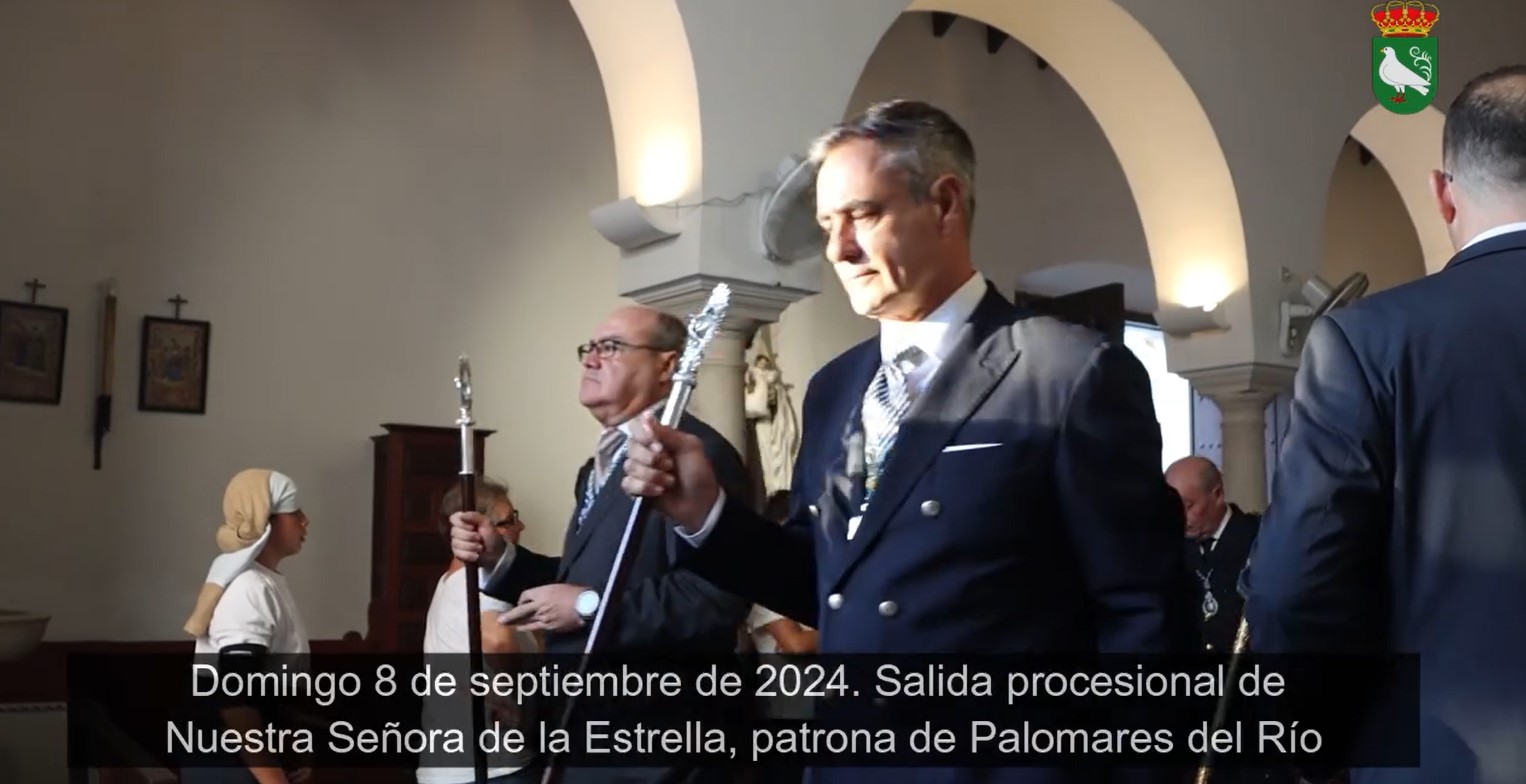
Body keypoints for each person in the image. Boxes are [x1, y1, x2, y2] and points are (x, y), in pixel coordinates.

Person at [617, 99, 1195, 783]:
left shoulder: (1065, 371)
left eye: (862, 215)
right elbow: (826, 581)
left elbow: (1144, 614)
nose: (838, 250)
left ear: (945, 204)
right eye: (829, 224)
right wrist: (707, 516)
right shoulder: (836, 387)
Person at [1244, 65, 1526, 784]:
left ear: (1442, 193)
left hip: (1441, 755)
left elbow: (1296, 584)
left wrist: (1323, 743)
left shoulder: (1372, 341)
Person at [450, 304, 752, 784]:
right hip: (585, 730)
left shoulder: (698, 455)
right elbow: (589, 580)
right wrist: (501, 558)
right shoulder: (596, 469)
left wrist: (590, 607)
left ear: (667, 365)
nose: (591, 359)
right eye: (588, 349)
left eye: (611, 348)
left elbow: (714, 598)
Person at [180, 469, 312, 784]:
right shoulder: (248, 588)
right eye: (294, 512)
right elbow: (235, 701)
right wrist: (274, 779)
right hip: (229, 766)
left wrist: (291, 755)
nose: (305, 520)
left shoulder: (264, 582)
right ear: (265, 519)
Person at [418, 477, 540, 784]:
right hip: (491, 766)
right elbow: (496, 642)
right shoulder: (479, 581)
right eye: (510, 520)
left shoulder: (448, 582)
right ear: (477, 529)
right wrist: (513, 690)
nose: (520, 526)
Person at [1166, 455, 1261, 653]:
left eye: (1189, 505)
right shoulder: (1170, 548)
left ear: (1217, 494)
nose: (1180, 517)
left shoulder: (1260, 538)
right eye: (1174, 508)